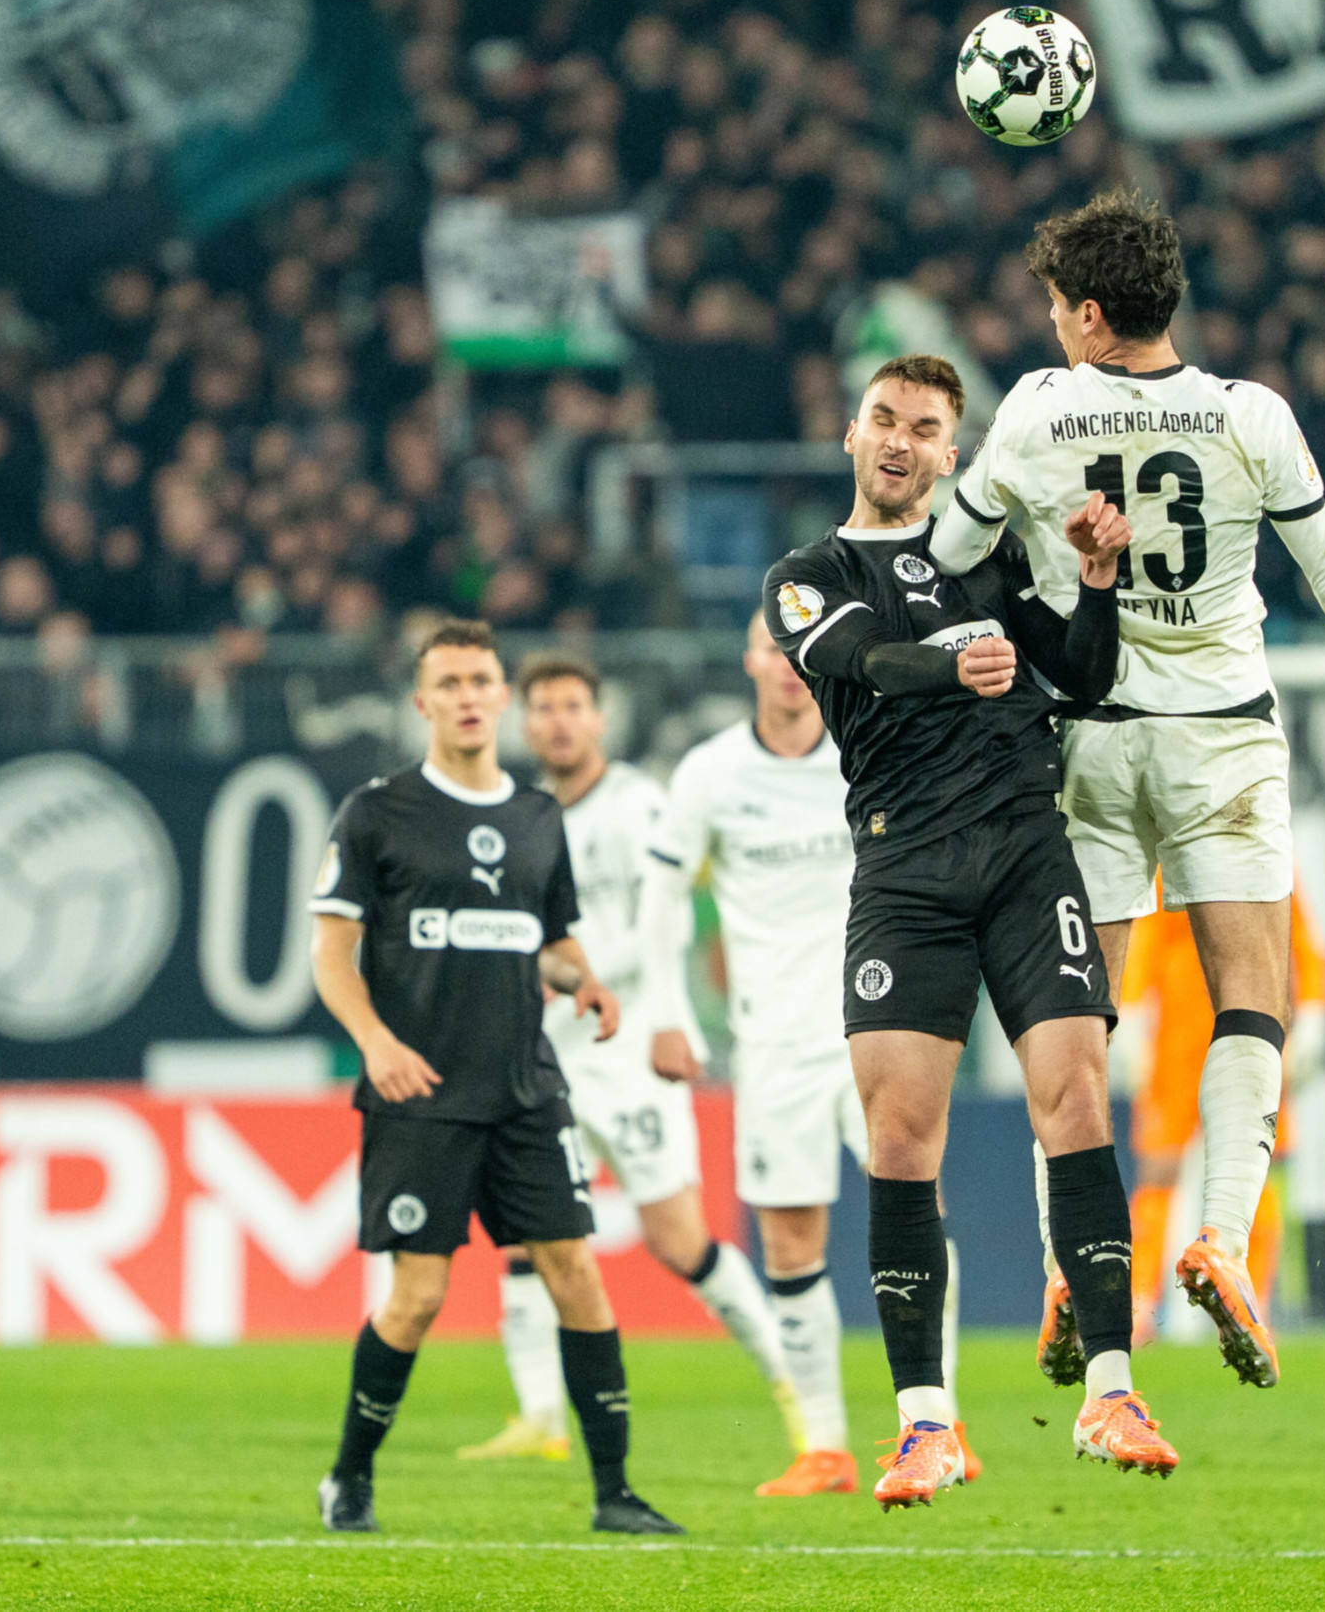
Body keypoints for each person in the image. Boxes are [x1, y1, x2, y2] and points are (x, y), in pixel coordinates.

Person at [928, 186, 1325, 1390]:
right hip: (1224, 737)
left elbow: (946, 556)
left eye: (1057, 307)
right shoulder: (1252, 414)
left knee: (1074, 1014)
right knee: (1252, 995)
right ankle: (1220, 1233)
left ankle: (1074, 1262)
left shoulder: (1039, 410)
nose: (1053, 329)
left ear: (1090, 314)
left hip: (1090, 741)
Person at [763, 353, 1171, 1509]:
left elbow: (1083, 675)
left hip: (1025, 852)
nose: (899, 439)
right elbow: (860, 661)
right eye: (883, 419)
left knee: (1079, 1098)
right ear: (852, 434)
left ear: (954, 452)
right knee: (900, 1138)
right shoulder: (809, 573)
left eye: (925, 427)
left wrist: (1094, 581)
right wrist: (951, 660)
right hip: (903, 868)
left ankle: (1110, 1390)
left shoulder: (994, 552)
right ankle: (925, 1423)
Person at [309, 619, 676, 1536]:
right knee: (419, 1297)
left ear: (500, 697)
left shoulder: (535, 815)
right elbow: (331, 953)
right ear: (422, 702)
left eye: (482, 680)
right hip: (419, 1092)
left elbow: (545, 936)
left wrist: (582, 977)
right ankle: (349, 1477)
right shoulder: (377, 813)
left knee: (577, 1274)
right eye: (451, 683)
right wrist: (374, 1043)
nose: (469, 697)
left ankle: (615, 1494)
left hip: (525, 1087)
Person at [638, 609, 981, 1497]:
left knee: (918, 1207)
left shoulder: (869, 741)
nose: (790, 666)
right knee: (791, 1241)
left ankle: (938, 1421)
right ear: (750, 658)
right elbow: (662, 896)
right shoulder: (711, 773)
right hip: (774, 1040)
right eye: (773, 649)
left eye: (802, 651)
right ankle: (824, 1445)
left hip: (882, 1019)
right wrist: (668, 1014)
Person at [455, 654, 800, 1481]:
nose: (560, 721)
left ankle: (795, 1385)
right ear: (524, 723)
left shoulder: (640, 805)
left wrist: (606, 988)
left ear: (599, 719)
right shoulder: (518, 818)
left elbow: (668, 921)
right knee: (527, 1230)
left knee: (679, 1241)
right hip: (542, 1059)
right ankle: (541, 1416)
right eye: (544, 708)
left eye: (575, 704)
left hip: (628, 1052)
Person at [1119, 877, 1325, 1343]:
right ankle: (1138, 1304)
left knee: (1258, 1169)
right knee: (1159, 1171)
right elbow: (1145, 941)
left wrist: (1314, 1012)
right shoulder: (1168, 865)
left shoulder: (1268, 856)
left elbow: (1301, 942)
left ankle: (1246, 1304)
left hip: (1253, 1032)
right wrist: (1131, 1011)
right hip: (1176, 1041)